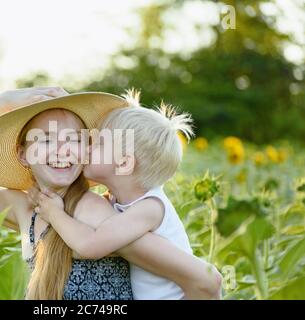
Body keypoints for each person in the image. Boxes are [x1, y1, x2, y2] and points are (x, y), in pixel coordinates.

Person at [32, 89, 222, 299]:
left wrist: (54, 213)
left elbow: (90, 245)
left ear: (124, 163)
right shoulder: (118, 201)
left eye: (99, 144)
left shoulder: (150, 208)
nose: (87, 148)